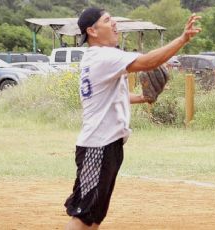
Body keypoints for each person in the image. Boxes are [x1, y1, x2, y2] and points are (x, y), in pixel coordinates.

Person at [64, 7, 201, 229]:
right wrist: (182, 39)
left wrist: (143, 97)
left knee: (94, 216)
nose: (114, 23)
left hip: (105, 145)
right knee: (84, 215)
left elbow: (110, 97)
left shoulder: (95, 58)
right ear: (92, 30)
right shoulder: (103, 56)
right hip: (98, 146)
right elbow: (147, 62)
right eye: (108, 20)